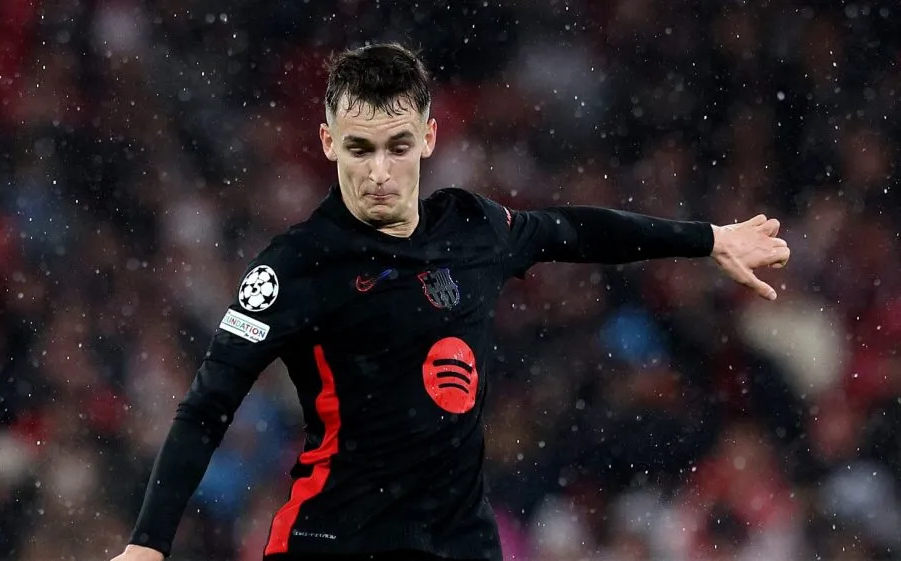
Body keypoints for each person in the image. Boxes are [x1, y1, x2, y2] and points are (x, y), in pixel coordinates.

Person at [109, 42, 791, 561]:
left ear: (429, 138)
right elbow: (207, 405)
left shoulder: (471, 227)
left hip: (458, 542)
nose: (379, 172)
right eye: (360, 149)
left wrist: (707, 239)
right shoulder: (296, 265)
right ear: (327, 144)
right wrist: (148, 542)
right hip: (336, 538)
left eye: (398, 146)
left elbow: (573, 231)